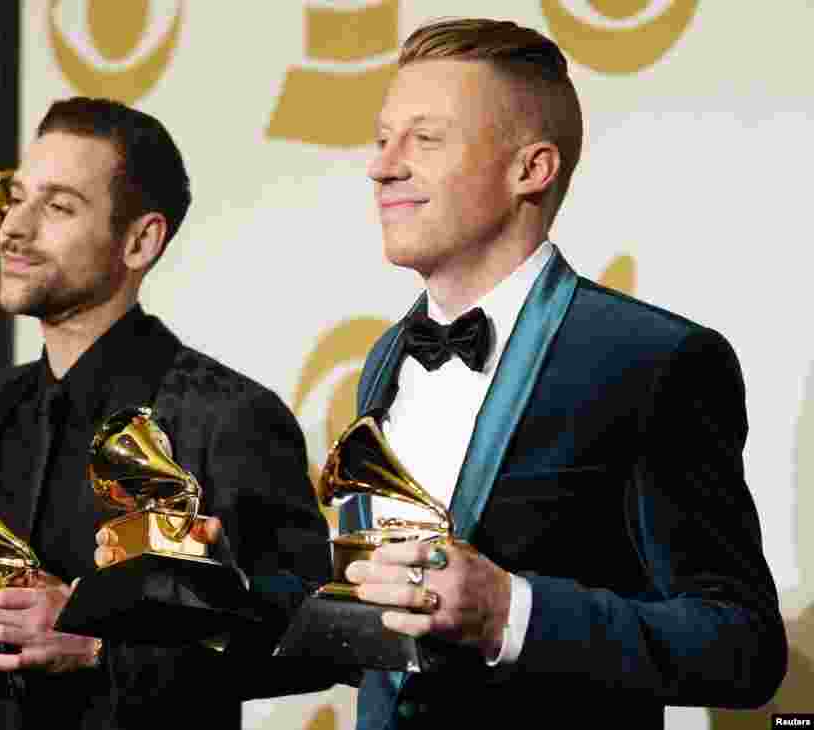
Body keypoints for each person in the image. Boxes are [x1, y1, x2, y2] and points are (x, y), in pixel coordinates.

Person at [335, 18, 788, 728]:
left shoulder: (652, 359)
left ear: (531, 170)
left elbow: (743, 647)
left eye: (424, 139)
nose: (382, 165)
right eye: (382, 138)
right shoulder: (387, 358)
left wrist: (509, 612)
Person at [0, 97, 330, 729]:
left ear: (140, 241)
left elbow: (313, 631)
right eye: (16, 197)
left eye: (59, 206)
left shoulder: (225, 416)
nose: (14, 228)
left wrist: (99, 645)